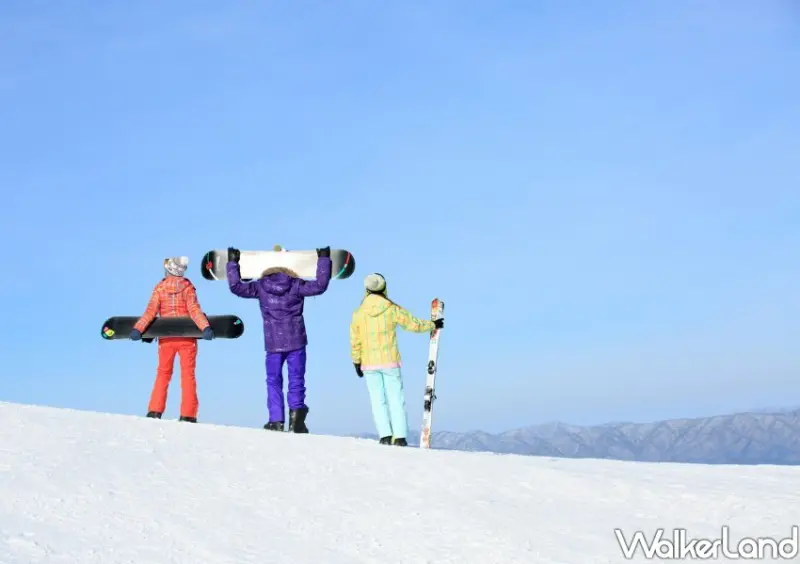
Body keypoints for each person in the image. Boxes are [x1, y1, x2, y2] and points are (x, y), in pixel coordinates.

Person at [226, 245, 332, 432]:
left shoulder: (261, 287)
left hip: (273, 343)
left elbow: (236, 287)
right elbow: (320, 286)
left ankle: (276, 421)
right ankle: (296, 422)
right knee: (296, 379)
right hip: (296, 341)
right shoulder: (296, 285)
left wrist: (233, 263)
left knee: (273, 381)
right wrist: (323, 259)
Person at [349, 273, 444, 446]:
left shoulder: (358, 313)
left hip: (368, 363)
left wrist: (356, 361)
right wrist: (432, 325)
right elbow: (412, 323)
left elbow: (355, 340)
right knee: (396, 398)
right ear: (384, 287)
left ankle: (385, 436)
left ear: (366, 289)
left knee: (377, 400)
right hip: (389, 361)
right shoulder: (391, 308)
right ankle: (399, 437)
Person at [130, 256, 215, 422]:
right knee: (188, 375)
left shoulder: (159, 288)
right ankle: (188, 414)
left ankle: (154, 410)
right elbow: (194, 310)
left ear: (169, 270)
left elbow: (150, 312)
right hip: (187, 338)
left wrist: (138, 329)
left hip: (166, 338)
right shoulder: (187, 288)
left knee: (163, 373)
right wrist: (205, 327)